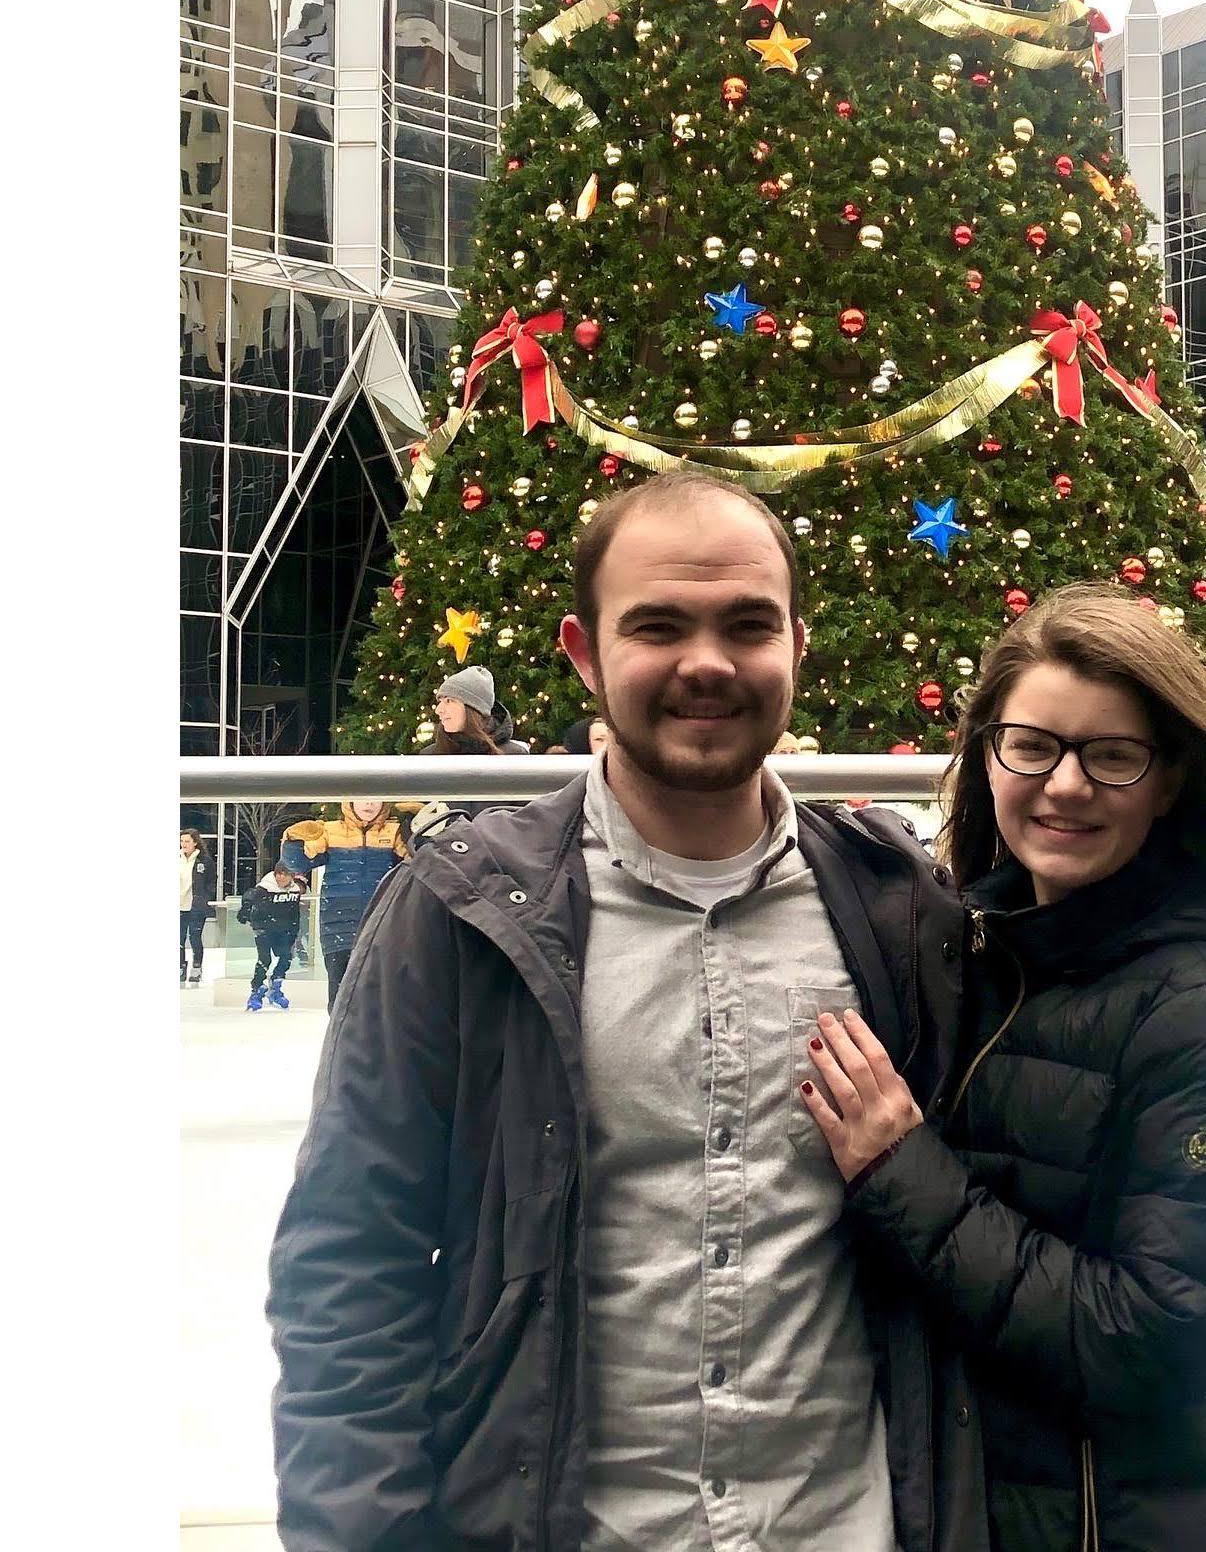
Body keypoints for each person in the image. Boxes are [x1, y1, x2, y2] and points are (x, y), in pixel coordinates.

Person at [267, 471, 981, 1551]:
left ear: (798, 642)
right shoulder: (458, 915)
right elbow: (348, 1268)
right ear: (583, 651)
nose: (707, 661)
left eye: (747, 624)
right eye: (658, 625)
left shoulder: (895, 909)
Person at [800, 582, 1206, 1550]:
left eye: (1111, 756)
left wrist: (900, 1170)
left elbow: (1152, 1341)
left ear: (1167, 781)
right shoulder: (986, 956)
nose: (1065, 785)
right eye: (1033, 746)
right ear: (987, 756)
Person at [280, 801, 408, 1010]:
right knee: (341, 999)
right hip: (338, 926)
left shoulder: (394, 833)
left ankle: (381, 1041)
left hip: (383, 925)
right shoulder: (330, 832)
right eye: (362, 797)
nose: (369, 803)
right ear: (349, 802)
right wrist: (293, 840)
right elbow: (297, 864)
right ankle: (342, 1041)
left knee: (384, 999)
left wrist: (414, 827)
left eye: (375, 798)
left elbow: (419, 858)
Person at [238, 863, 309, 1013]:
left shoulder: (295, 891)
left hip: (284, 930)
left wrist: (294, 930)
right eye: (278, 873)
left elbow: (294, 913)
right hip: (263, 927)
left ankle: (276, 985)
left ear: (292, 876)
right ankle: (256, 990)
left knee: (286, 957)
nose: (281, 877)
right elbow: (249, 896)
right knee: (265, 959)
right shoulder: (265, 888)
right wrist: (245, 909)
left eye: (285, 874)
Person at [432, 664, 530, 755]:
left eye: (449, 701)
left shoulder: (514, 756)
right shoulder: (429, 757)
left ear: (473, 708)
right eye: (440, 701)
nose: (438, 710)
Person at [179, 828, 215, 987]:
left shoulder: (204, 861)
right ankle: (180, 967)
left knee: (195, 937)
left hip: (196, 906)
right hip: (179, 905)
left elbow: (211, 881)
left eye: (187, 841)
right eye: (182, 841)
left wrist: (204, 897)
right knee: (178, 939)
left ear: (195, 842)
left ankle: (197, 967)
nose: (184, 844)